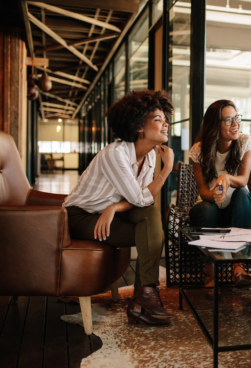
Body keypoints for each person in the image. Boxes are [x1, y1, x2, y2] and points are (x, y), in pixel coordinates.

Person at [63, 90, 175, 327]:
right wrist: (167, 170)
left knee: (149, 217)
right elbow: (140, 197)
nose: (166, 123)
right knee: (149, 230)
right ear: (138, 127)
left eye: (165, 118)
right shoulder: (116, 154)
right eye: (158, 119)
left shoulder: (151, 156)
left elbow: (142, 200)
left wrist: (114, 207)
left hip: (109, 211)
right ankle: (142, 299)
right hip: (79, 216)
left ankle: (144, 296)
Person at [189, 99, 251, 286]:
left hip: (238, 208)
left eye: (236, 118)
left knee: (242, 193)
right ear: (214, 125)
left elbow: (243, 180)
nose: (235, 124)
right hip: (208, 206)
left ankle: (238, 265)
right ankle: (210, 272)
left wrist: (226, 178)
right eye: (228, 120)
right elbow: (203, 192)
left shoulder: (244, 142)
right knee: (208, 208)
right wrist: (216, 196)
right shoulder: (199, 150)